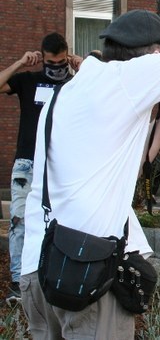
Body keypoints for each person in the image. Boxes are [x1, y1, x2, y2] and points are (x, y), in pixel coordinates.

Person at [19, 9, 160, 338]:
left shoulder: (74, 88)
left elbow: (128, 169)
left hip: (40, 266)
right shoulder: (128, 77)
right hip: (86, 268)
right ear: (154, 53)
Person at [0, 33, 81, 303]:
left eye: (61, 62)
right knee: (19, 221)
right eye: (50, 62)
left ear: (68, 56)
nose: (56, 67)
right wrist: (20, 63)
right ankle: (18, 282)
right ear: (41, 58)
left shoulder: (76, 83)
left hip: (61, 164)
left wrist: (86, 70)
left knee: (59, 224)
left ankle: (51, 280)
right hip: (27, 163)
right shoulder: (29, 81)